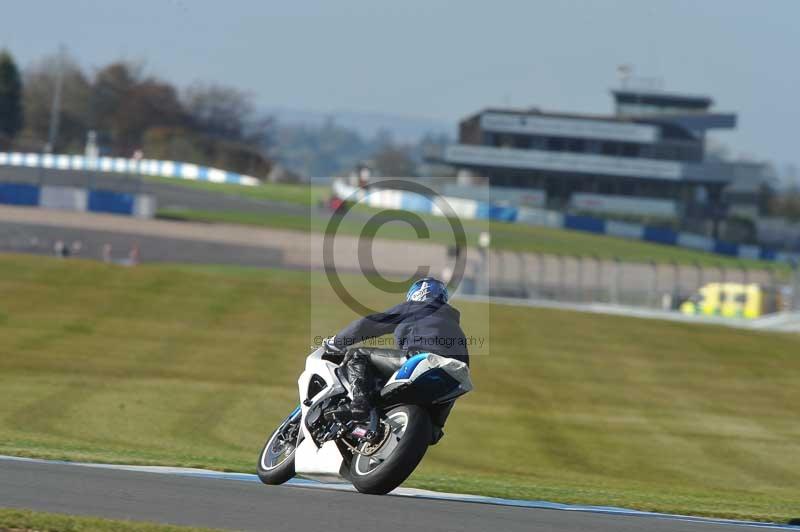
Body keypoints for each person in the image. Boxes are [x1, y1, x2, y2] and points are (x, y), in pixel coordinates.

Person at [323, 277, 469, 437]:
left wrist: (335, 342)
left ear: (416, 294)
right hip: (454, 378)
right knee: (432, 433)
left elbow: (369, 325)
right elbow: (459, 367)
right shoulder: (455, 326)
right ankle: (432, 428)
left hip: (422, 359)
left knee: (358, 355)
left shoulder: (417, 307)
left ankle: (359, 402)